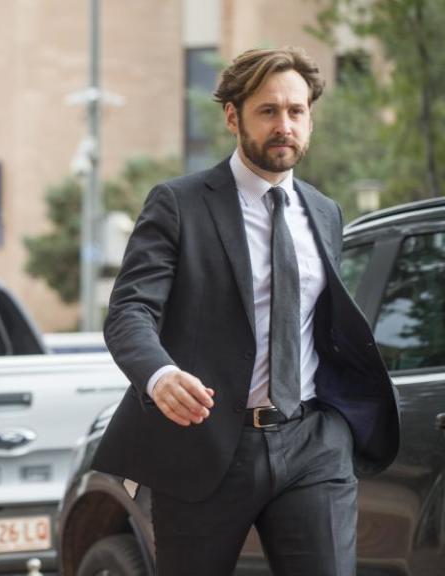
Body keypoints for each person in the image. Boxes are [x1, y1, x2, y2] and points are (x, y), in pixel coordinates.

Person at [91, 47, 400, 575]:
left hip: (312, 443)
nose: (285, 126)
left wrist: (337, 429)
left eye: (296, 111)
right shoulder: (179, 203)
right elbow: (129, 311)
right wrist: (159, 374)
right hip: (206, 445)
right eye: (268, 111)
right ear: (233, 116)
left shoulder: (325, 212)